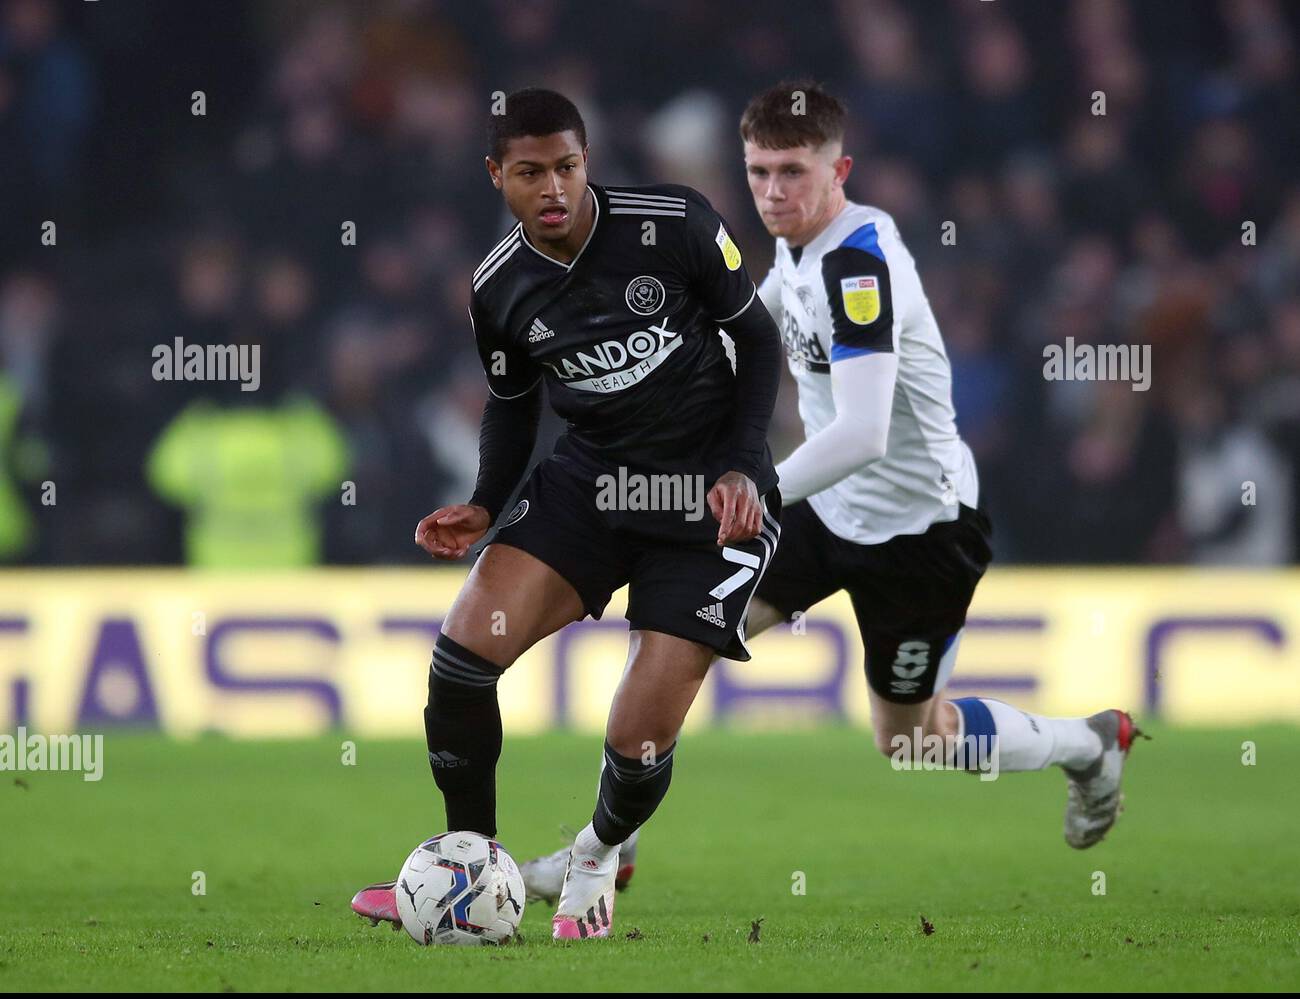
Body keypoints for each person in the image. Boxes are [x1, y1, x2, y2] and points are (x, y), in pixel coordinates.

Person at [521, 80, 1143, 904]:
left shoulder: (859, 262)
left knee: (910, 738)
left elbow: (862, 433)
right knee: (682, 630)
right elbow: (759, 322)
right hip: (826, 510)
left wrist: (752, 486)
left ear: (838, 169)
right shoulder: (798, 243)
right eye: (758, 172)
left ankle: (1088, 745)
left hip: (921, 532)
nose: (774, 192)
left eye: (792, 172)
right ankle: (608, 844)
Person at [351, 87, 784, 939]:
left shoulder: (676, 224)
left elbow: (758, 341)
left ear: (587, 161)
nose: (553, 188)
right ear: (496, 176)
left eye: (567, 167)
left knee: (639, 735)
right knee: (463, 654)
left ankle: (596, 851)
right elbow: (514, 403)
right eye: (530, 172)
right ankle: (469, 863)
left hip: (705, 499)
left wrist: (741, 466)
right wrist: (484, 501)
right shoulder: (498, 289)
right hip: (590, 486)